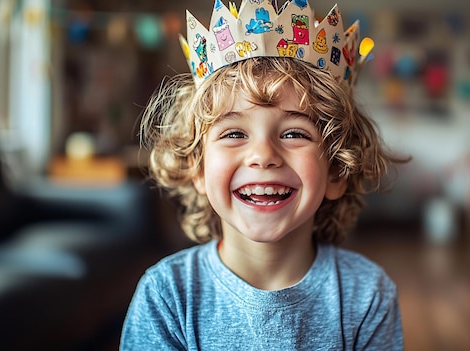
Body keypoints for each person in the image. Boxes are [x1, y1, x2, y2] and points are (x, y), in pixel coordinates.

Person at [121, 0, 406, 349]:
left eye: (294, 133)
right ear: (198, 166)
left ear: (335, 169)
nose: (263, 155)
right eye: (234, 134)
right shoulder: (167, 296)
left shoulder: (367, 295)